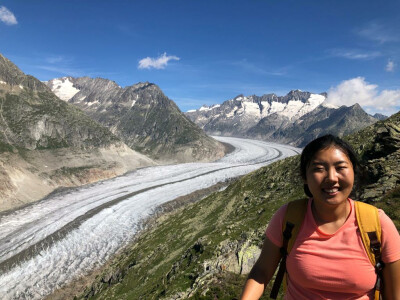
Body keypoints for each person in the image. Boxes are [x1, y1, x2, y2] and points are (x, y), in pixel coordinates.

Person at [241, 134, 400, 299]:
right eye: (318, 168)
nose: (331, 178)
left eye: (340, 167)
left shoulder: (377, 224)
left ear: (354, 171)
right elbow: (261, 272)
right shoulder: (288, 217)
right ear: (305, 177)